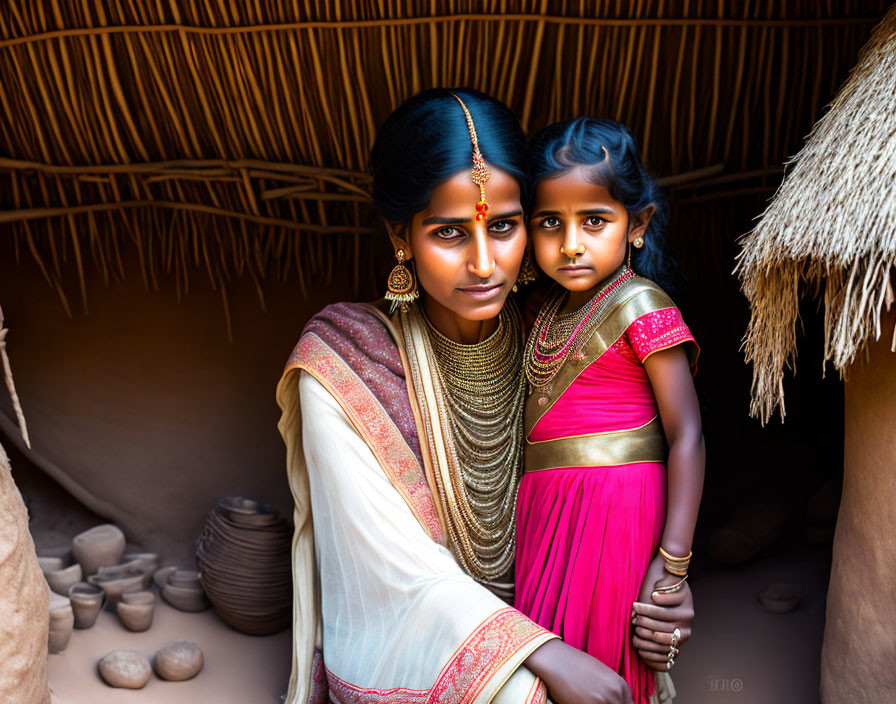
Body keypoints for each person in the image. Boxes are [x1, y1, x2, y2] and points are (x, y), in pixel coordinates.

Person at [276, 89, 654, 704]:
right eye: (450, 232)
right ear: (401, 235)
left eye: (503, 226)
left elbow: (628, 481)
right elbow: (393, 577)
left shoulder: (563, 337)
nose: (485, 263)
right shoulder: (345, 364)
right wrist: (541, 653)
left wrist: (666, 585)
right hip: (420, 645)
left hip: (574, 605)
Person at [514, 118, 705, 704]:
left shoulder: (642, 305)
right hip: (543, 507)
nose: (570, 243)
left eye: (593, 220)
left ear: (637, 224)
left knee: (602, 657)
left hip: (617, 507)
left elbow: (688, 435)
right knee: (547, 660)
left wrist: (673, 563)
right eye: (550, 223)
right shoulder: (539, 313)